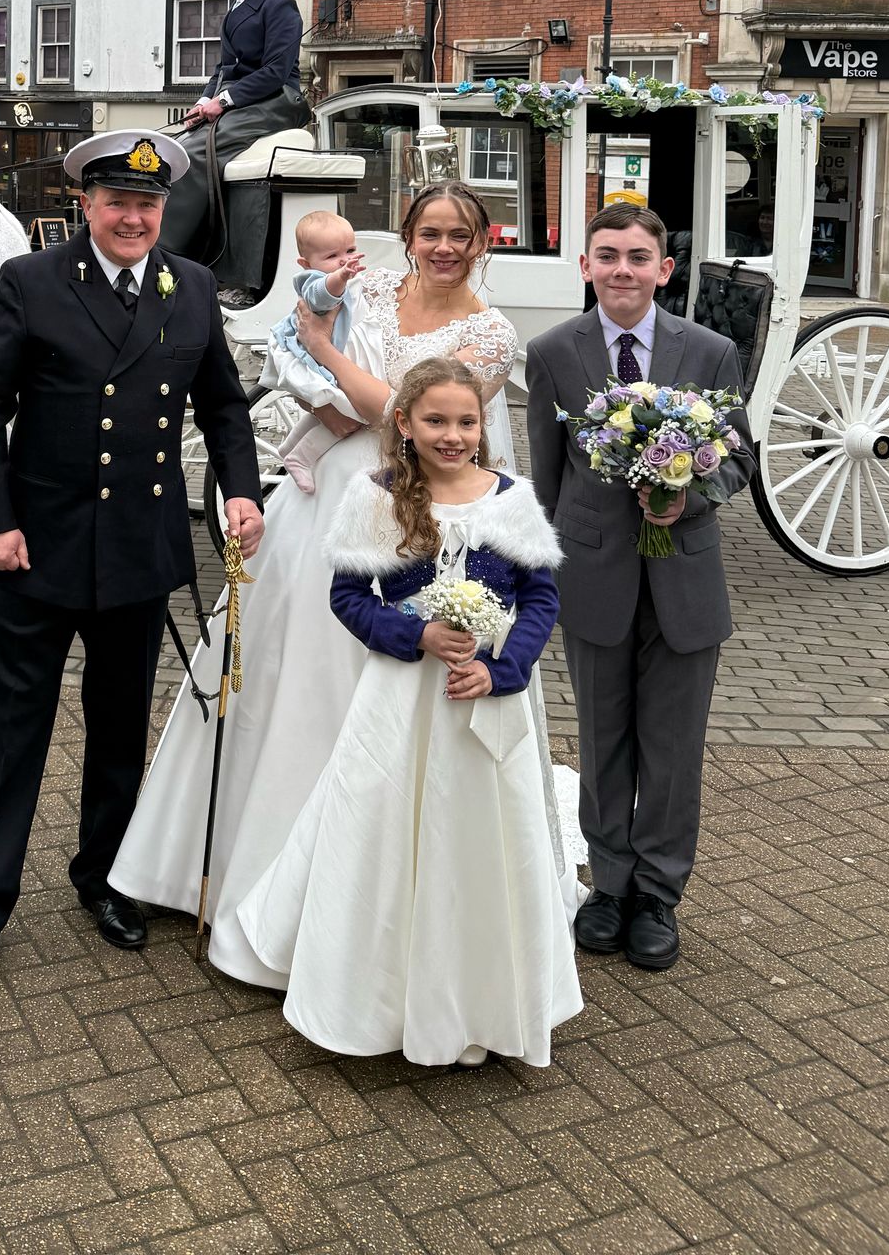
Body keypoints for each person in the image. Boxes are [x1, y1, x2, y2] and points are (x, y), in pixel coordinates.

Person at [111, 179, 578, 985]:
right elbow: (292, 339)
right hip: (324, 493)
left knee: (376, 683)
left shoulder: (493, 333)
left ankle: (366, 894)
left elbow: (411, 413)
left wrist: (328, 358)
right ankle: (219, 864)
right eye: (429, 232)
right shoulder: (365, 285)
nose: (443, 248)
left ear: (481, 244)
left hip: (414, 510)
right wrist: (317, 378)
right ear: (407, 233)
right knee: (286, 671)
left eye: (460, 236)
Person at [0, 129, 265, 1002]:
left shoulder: (190, 287)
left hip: (136, 552)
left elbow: (223, 404)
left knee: (120, 733)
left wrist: (241, 490)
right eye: (117, 201)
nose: (133, 218)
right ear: (85, 204)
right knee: (11, 738)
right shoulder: (32, 282)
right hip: (36, 552)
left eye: (147, 204)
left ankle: (106, 878)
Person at [238, 359, 583, 1066]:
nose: (453, 435)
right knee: (387, 818)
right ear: (404, 423)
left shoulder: (510, 499)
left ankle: (478, 998)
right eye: (436, 421)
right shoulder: (377, 497)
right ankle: (376, 997)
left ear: (483, 427)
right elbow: (348, 598)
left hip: (486, 693)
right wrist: (415, 634)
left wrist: (502, 670)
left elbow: (540, 599)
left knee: (478, 833)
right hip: (403, 695)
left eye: (466, 422)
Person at [526, 202, 755, 974]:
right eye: (607, 255)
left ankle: (658, 894)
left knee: (673, 748)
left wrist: (685, 496)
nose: (621, 269)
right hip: (596, 576)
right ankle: (611, 885)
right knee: (603, 740)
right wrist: (552, 568)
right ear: (585, 266)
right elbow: (549, 478)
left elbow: (738, 457)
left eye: (637, 257)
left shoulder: (712, 351)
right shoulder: (552, 352)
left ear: (665, 269)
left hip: (685, 577)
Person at [159, 0, 310, 277]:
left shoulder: (279, 5)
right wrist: (203, 101)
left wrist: (224, 101)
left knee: (198, 153)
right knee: (176, 144)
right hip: (243, 101)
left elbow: (275, 72)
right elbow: (223, 68)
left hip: (277, 101)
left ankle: (171, 250)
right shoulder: (233, 12)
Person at [261, 210, 366, 494]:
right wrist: (341, 277)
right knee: (352, 414)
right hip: (310, 358)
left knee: (329, 408)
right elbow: (322, 296)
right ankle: (301, 457)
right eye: (332, 255)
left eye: (350, 251)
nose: (344, 260)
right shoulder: (315, 281)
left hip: (321, 354)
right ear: (306, 264)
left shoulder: (342, 278)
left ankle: (289, 445)